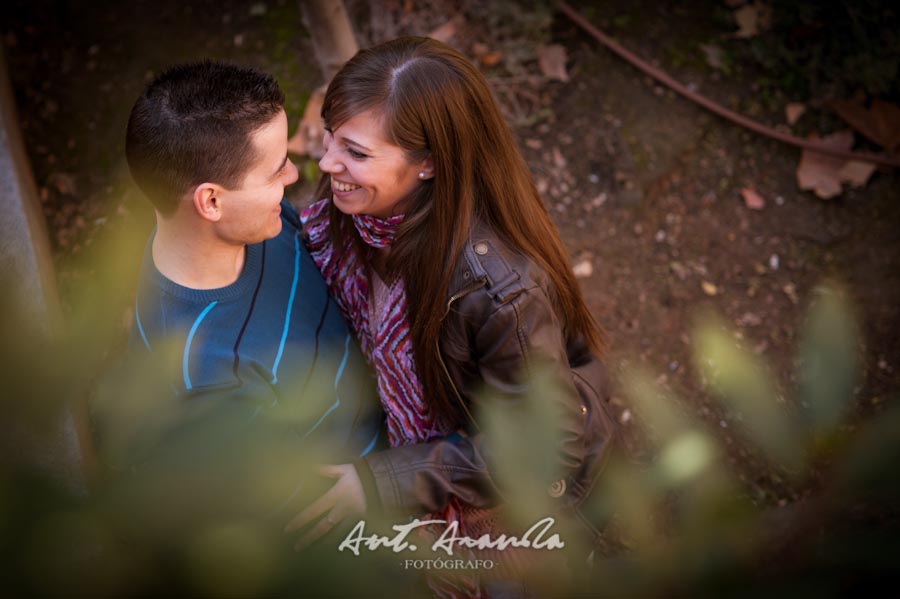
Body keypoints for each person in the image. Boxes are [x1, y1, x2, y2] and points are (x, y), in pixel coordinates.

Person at [287, 37, 617, 596]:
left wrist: (383, 482)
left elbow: (549, 445)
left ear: (429, 164)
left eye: (357, 153)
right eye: (329, 137)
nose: (328, 163)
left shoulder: (497, 291)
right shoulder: (359, 209)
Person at [109, 61, 384, 526]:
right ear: (210, 201)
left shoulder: (252, 226)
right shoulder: (208, 381)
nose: (294, 179)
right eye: (275, 172)